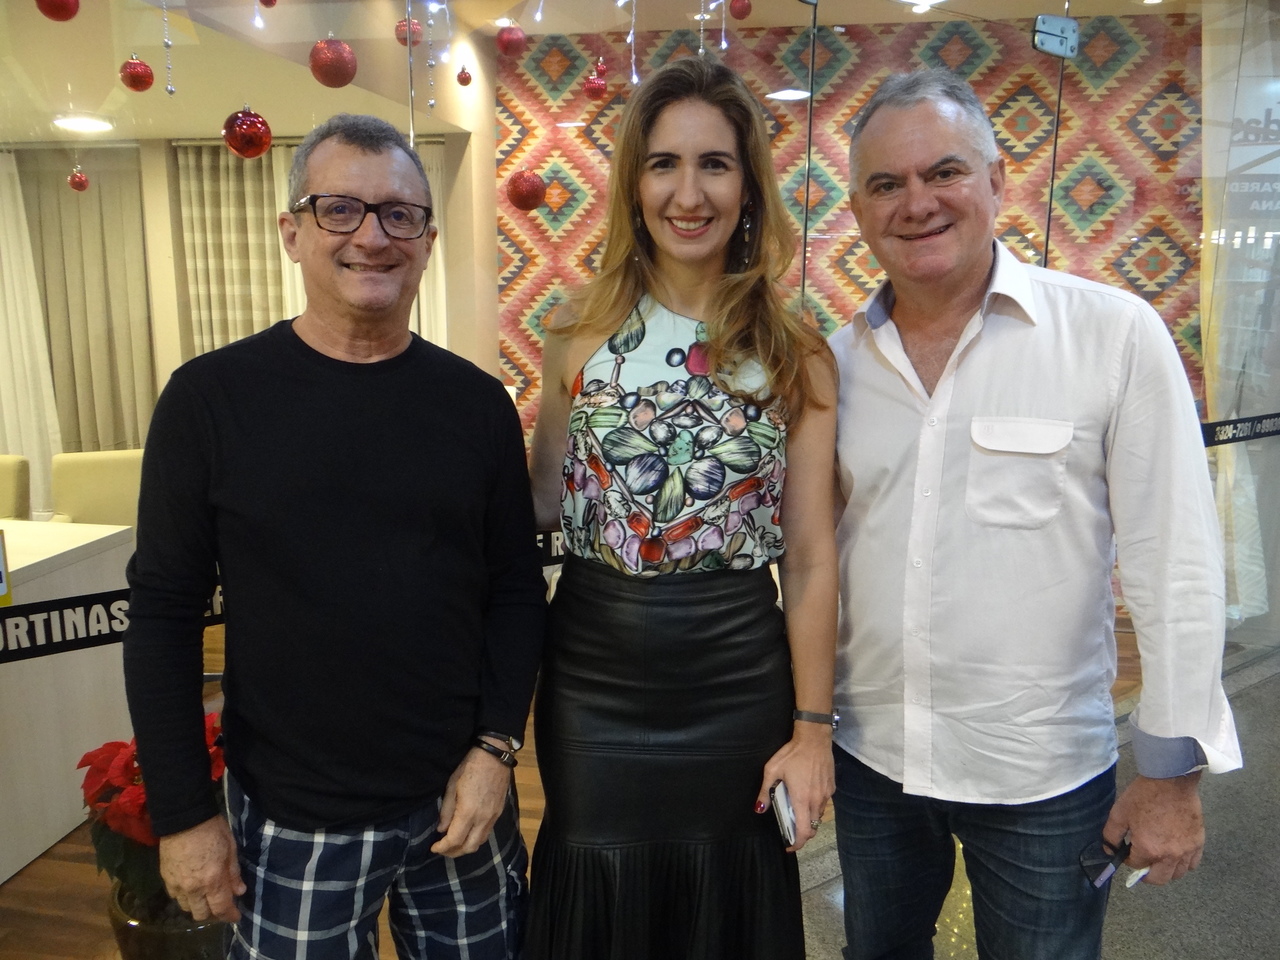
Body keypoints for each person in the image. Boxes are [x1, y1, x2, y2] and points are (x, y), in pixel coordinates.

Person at [829, 68, 1243, 960]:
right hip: (871, 764)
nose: (918, 203)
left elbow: (1176, 561)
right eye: (885, 184)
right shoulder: (834, 368)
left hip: (1043, 778)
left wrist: (1170, 777)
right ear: (857, 209)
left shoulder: (1112, 335)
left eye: (944, 172)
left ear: (996, 181)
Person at [122, 113, 546, 959]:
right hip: (289, 821)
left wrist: (498, 750)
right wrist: (183, 816)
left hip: (459, 803)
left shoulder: (477, 405)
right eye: (340, 210)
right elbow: (164, 617)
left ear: (426, 240)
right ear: (292, 232)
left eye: (399, 215)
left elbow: (513, 591)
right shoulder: (209, 402)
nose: (372, 237)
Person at [524, 56, 839, 959]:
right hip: (592, 678)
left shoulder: (796, 353)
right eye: (664, 163)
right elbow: (544, 505)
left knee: (727, 896)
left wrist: (813, 734)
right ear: (633, 183)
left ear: (749, 186)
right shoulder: (573, 332)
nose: (688, 192)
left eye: (715, 163)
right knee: (595, 888)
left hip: (737, 678)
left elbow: (813, 558)